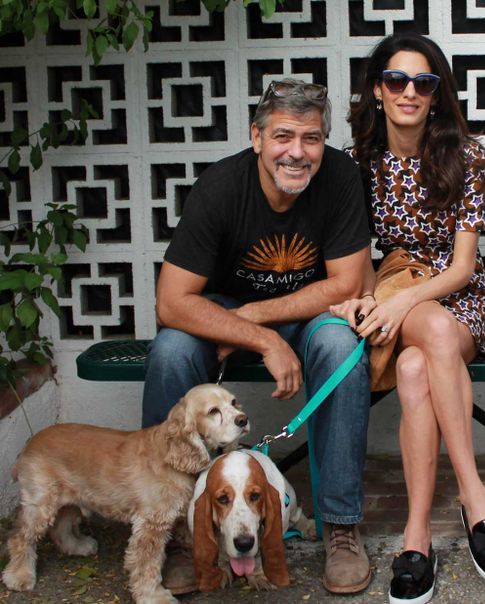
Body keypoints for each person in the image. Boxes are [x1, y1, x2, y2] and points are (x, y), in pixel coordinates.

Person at [142, 78, 374, 595]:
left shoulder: (339, 178)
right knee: (172, 350)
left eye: (311, 138)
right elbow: (172, 302)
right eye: (283, 136)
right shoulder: (221, 188)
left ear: (324, 142)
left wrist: (259, 319)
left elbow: (346, 284)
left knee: (342, 347)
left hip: (308, 309)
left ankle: (339, 525)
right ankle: (178, 530)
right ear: (257, 138)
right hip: (226, 313)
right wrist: (261, 338)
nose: (297, 152)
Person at [330, 33, 485, 604]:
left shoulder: (467, 155)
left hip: (457, 298)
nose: (409, 92)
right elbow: (352, 255)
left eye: (423, 82)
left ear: (436, 93)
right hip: (397, 289)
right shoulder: (356, 163)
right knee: (419, 343)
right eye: (396, 80)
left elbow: (462, 267)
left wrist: (402, 304)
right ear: (378, 90)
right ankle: (473, 510)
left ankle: (421, 533)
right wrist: (371, 296)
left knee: (413, 367)